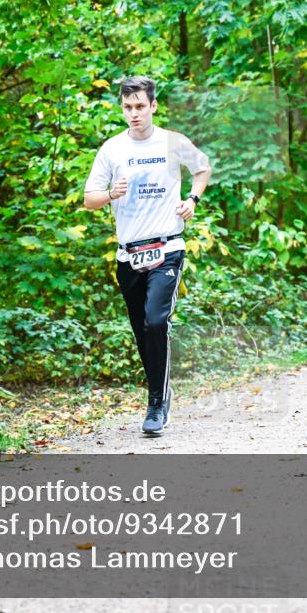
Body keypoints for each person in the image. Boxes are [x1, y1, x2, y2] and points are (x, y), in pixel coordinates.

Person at [84, 76, 211, 434]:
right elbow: (89, 199)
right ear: (122, 108)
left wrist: (192, 200)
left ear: (153, 106)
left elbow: (202, 168)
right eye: (128, 107)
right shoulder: (112, 149)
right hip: (129, 256)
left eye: (140, 106)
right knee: (142, 330)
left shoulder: (172, 142)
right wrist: (111, 193)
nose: (134, 114)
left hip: (167, 247)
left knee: (157, 321)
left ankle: (157, 401)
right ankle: (159, 389)